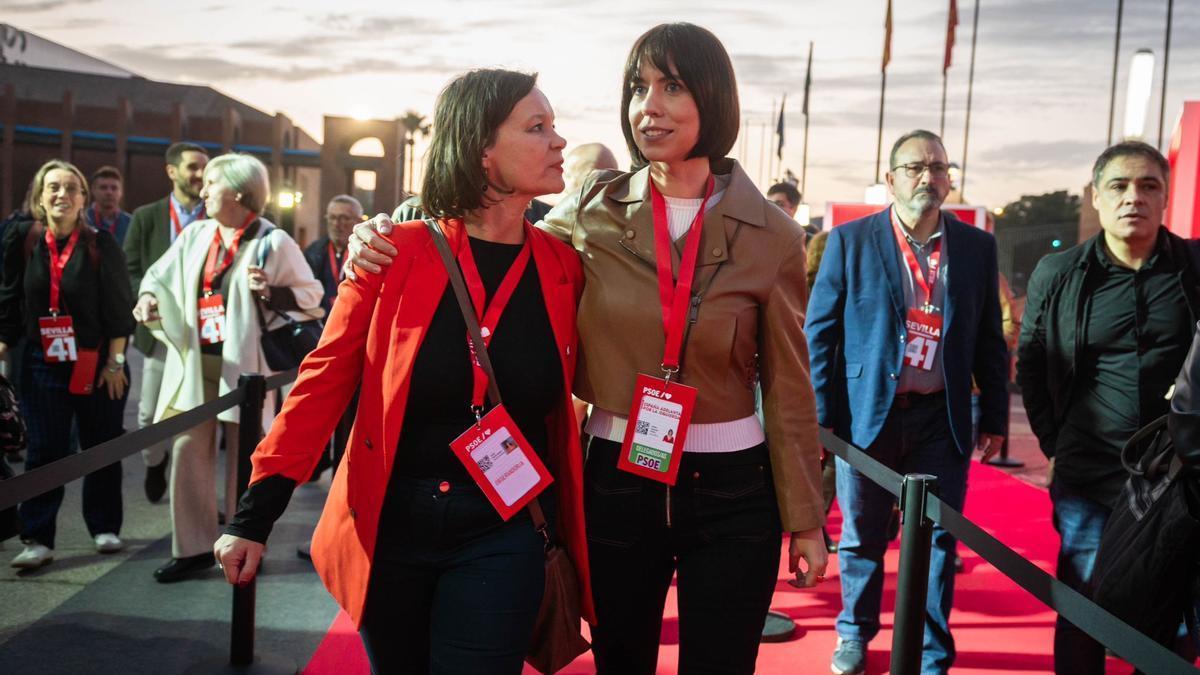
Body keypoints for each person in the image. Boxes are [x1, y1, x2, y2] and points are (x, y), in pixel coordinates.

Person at [348, 23, 827, 674]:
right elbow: (486, 233)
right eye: (637, 88)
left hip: (733, 489)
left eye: (672, 87)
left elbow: (790, 385)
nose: (648, 106)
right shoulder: (591, 209)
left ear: (714, 97)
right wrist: (397, 225)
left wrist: (805, 518)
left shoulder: (774, 234)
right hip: (614, 481)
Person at [214, 69, 594, 674]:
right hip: (390, 526)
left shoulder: (564, 267)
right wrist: (254, 516)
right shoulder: (393, 252)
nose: (559, 140)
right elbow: (322, 382)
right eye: (537, 127)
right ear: (482, 149)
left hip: (506, 526)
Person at [806, 129, 1009, 674]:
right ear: (890, 178)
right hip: (867, 416)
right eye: (916, 167)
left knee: (940, 539)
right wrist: (821, 420)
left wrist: (994, 415)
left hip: (942, 417)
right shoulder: (849, 241)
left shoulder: (976, 248)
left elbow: (990, 339)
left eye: (939, 168)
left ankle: (931, 650)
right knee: (862, 536)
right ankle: (854, 634)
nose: (928, 177)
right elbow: (819, 336)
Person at [1017, 141, 1200, 674]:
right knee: (1082, 602)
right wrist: (1056, 443)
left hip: (1178, 473)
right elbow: (1032, 365)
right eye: (1119, 186)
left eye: (1148, 185)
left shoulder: (1195, 267)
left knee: (1176, 611)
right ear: (1096, 197)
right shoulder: (1060, 273)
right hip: (1089, 469)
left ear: (1164, 196)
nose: (1133, 197)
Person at [133, 152, 323, 583]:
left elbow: (312, 297)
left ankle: (243, 543)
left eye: (211, 182)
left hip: (246, 372)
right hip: (196, 362)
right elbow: (158, 277)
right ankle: (192, 549)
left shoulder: (273, 241)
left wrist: (270, 290)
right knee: (187, 450)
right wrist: (147, 299)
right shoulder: (196, 234)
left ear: (238, 191)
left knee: (246, 456)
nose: (202, 190)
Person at [1, 160, 135, 569]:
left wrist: (116, 363)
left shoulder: (100, 243)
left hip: (97, 362)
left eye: (71, 188)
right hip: (41, 362)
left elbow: (120, 312)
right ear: (40, 197)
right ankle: (38, 537)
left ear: (83, 198)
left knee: (101, 445)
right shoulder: (23, 239)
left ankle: (104, 526)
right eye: (54, 187)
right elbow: (8, 302)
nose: (63, 194)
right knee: (45, 450)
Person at [125, 142, 210, 504]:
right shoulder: (146, 216)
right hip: (160, 330)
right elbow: (131, 267)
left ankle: (187, 487)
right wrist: (146, 298)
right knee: (149, 414)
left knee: (195, 414)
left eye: (204, 167)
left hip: (203, 331)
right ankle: (154, 461)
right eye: (192, 167)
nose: (200, 174)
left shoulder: (217, 216)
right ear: (172, 171)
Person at [85, 166, 132, 246]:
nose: (109, 192)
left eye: (114, 188)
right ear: (93, 190)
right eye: (103, 188)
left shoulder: (131, 223)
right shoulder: (82, 220)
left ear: (121, 192)